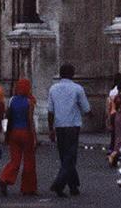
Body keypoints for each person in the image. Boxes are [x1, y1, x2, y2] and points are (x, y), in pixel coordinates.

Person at [47, 64, 90, 198]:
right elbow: (86, 108)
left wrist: (50, 129)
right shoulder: (77, 88)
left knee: (64, 156)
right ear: (72, 74)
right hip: (72, 125)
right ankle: (59, 183)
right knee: (70, 157)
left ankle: (73, 186)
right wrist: (91, 114)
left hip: (59, 125)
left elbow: (50, 111)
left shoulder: (53, 88)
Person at [0, 78, 38, 196]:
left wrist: (6, 133)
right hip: (26, 132)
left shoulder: (12, 100)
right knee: (29, 161)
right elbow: (30, 120)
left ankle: (5, 177)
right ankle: (28, 188)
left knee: (15, 160)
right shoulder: (29, 101)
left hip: (13, 132)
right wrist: (35, 137)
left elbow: (7, 117)